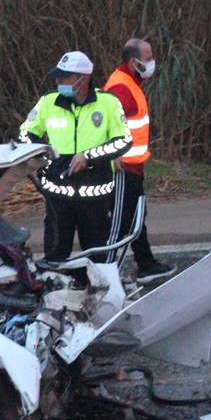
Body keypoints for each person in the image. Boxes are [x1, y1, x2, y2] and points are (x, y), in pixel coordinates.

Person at [19, 51, 132, 262]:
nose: (59, 81)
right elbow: (26, 132)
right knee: (54, 257)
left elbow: (123, 141)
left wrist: (88, 157)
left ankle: (99, 291)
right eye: (58, 77)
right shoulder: (48, 102)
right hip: (57, 195)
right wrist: (39, 153)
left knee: (98, 257)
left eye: (65, 77)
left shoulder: (108, 103)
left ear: (84, 77)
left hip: (95, 195)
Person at [103, 38, 174, 282]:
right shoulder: (121, 87)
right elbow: (105, 123)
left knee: (135, 217)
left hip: (132, 166)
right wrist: (113, 155)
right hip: (122, 169)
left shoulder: (129, 82)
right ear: (134, 62)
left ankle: (146, 264)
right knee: (121, 223)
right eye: (148, 57)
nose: (152, 62)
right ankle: (106, 275)